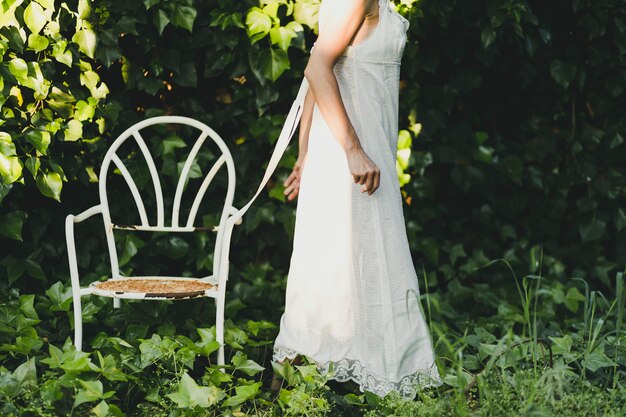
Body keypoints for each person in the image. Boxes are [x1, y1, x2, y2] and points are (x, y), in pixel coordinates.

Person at [270, 0, 441, 399]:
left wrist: (304, 153)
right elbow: (317, 68)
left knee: (357, 261)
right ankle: (385, 382)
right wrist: (350, 150)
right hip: (352, 155)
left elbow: (318, 71)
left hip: (359, 150)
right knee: (366, 260)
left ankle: (344, 379)